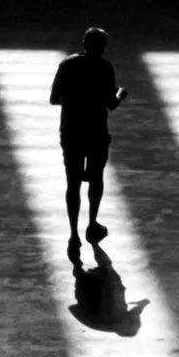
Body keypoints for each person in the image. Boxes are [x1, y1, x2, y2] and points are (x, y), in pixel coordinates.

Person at [48, 25, 128, 261]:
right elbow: (111, 104)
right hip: (95, 132)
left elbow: (54, 99)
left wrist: (75, 100)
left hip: (71, 131)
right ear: (102, 47)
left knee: (72, 183)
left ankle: (73, 235)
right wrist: (120, 94)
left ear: (83, 43)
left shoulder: (67, 65)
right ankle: (92, 224)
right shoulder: (104, 68)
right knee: (95, 177)